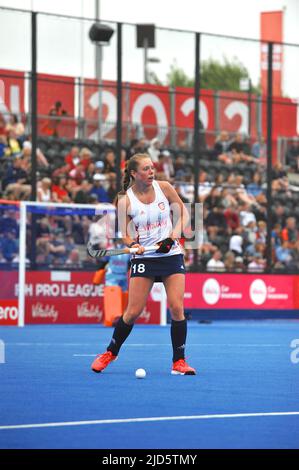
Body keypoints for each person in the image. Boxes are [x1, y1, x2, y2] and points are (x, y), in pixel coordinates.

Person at [91, 153, 196, 375]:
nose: (151, 172)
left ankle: (179, 362)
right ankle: (110, 352)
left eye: (152, 168)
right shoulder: (124, 200)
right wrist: (133, 244)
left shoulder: (164, 187)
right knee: (132, 312)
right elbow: (126, 235)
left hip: (170, 254)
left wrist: (172, 237)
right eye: (146, 169)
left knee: (177, 308)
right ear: (133, 173)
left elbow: (184, 214)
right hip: (145, 258)